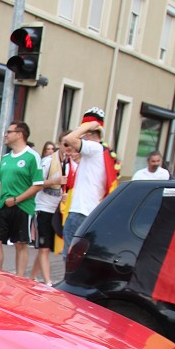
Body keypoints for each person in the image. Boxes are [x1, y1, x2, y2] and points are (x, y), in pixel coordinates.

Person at [0, 121, 43, 277]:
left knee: (20, 244)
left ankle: (19, 277)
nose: (5, 135)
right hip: (3, 205)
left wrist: (17, 199)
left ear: (20, 134)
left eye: (9, 132)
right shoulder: (5, 158)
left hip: (22, 207)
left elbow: (38, 185)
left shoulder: (32, 157)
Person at [60, 108, 119, 256]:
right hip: (88, 211)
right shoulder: (101, 151)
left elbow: (69, 139)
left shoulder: (94, 148)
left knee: (70, 256)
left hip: (81, 211)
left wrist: (88, 126)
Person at [30, 132, 68, 286]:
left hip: (58, 209)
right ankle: (48, 282)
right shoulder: (47, 162)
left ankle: (32, 276)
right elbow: (37, 182)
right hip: (44, 207)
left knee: (46, 249)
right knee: (44, 248)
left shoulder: (72, 163)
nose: (68, 148)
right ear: (59, 144)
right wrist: (54, 181)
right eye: (65, 144)